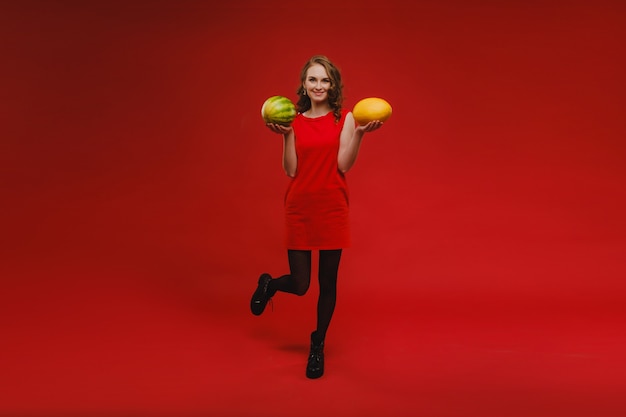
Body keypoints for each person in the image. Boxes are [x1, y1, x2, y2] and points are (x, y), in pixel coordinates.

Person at [250, 55, 383, 379]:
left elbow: (344, 165)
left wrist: (361, 135)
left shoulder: (346, 119)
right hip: (300, 207)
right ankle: (269, 285)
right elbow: (291, 170)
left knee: (327, 284)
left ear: (333, 85)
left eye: (325, 80)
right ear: (304, 86)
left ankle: (317, 344)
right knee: (300, 284)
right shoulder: (292, 120)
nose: (319, 86)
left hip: (333, 207)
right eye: (313, 80)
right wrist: (285, 136)